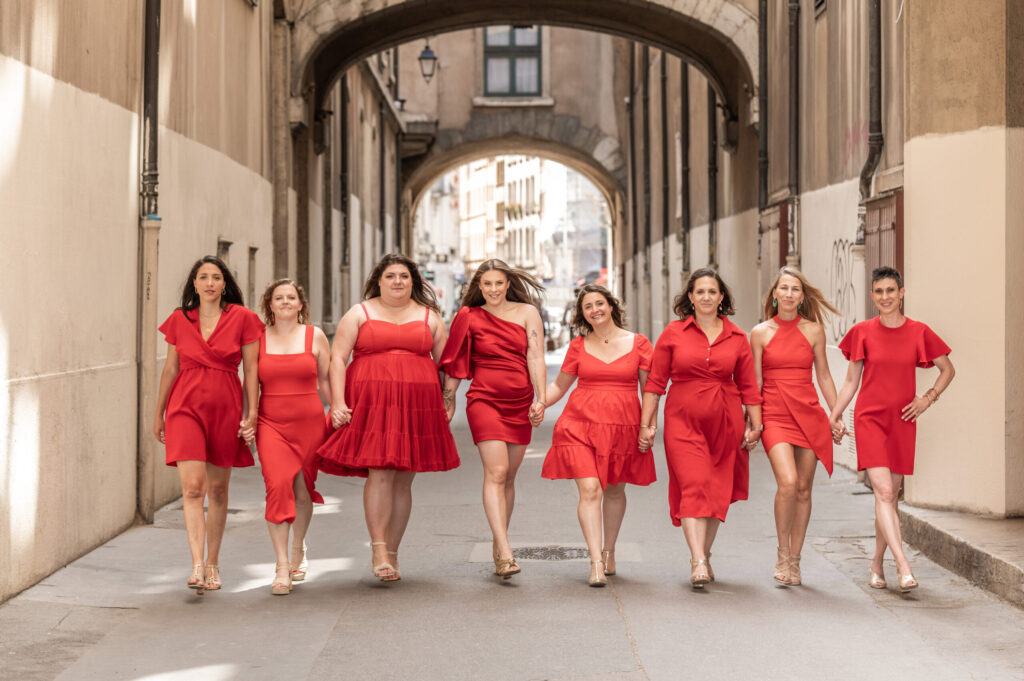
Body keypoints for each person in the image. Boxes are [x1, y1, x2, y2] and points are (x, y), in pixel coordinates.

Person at [317, 254, 459, 582]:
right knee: (379, 472)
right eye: (391, 276)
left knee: (404, 478)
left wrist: (448, 400)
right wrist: (337, 402)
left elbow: (447, 365)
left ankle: (392, 553)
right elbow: (338, 359)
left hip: (416, 405)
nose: (398, 281)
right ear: (378, 281)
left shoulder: (430, 318)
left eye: (404, 276)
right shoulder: (359, 313)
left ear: (414, 282)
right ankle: (378, 547)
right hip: (371, 403)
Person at [830, 266, 954, 592]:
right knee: (884, 493)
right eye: (879, 292)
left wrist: (927, 399)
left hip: (903, 421)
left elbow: (947, 369)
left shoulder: (918, 332)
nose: (885, 297)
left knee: (890, 498)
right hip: (869, 420)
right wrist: (835, 415)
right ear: (872, 296)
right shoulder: (862, 333)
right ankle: (904, 566)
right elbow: (850, 382)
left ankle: (876, 562)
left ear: (902, 293)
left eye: (890, 291)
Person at [639, 268, 762, 589]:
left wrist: (756, 426)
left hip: (727, 421)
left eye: (712, 292)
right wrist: (646, 424)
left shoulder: (738, 337)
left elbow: (749, 387)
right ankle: (697, 560)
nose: (706, 297)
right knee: (693, 483)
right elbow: (654, 383)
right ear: (690, 298)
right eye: (700, 292)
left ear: (722, 298)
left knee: (717, 488)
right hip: (682, 420)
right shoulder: (673, 333)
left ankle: (703, 556)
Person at [153, 255, 264, 593]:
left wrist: (252, 414)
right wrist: (158, 413)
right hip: (184, 407)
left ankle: (213, 563)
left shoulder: (243, 318)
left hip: (225, 408)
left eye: (216, 277)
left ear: (225, 283)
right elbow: (170, 369)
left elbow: (252, 372)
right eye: (204, 277)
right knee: (192, 488)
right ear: (195, 284)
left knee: (217, 490)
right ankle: (197, 564)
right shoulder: (179, 319)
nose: (211, 283)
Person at [537, 285, 655, 587]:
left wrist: (647, 426)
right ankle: (595, 562)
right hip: (579, 425)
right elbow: (560, 386)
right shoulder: (578, 346)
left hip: (622, 426)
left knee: (614, 491)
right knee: (590, 490)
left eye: (599, 303)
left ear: (611, 306)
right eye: (588, 307)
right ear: (583, 314)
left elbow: (650, 390)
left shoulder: (639, 343)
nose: (595, 310)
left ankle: (609, 550)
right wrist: (540, 402)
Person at [440, 259, 546, 579]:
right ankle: (504, 548)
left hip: (520, 401)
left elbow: (536, 355)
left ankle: (500, 543)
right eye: (487, 284)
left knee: (509, 478)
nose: (493, 290)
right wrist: (449, 401)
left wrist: (540, 398)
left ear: (507, 284)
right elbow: (456, 360)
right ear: (478, 287)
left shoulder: (527, 312)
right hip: (484, 399)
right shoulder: (468, 316)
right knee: (496, 471)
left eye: (499, 283)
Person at [749, 267, 840, 586]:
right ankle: (782, 553)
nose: (789, 294)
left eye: (795, 289)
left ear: (802, 297)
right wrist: (754, 422)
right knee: (787, 482)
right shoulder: (759, 332)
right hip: (775, 413)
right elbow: (755, 382)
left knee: (803, 489)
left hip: (809, 413)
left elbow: (825, 376)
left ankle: (796, 561)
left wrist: (836, 414)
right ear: (774, 294)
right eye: (783, 288)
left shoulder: (814, 330)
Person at [255, 279, 331, 595]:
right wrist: (247, 417)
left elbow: (326, 379)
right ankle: (282, 565)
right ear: (269, 305)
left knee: (303, 489)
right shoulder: (256, 339)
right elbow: (249, 383)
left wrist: (339, 407)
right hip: (270, 422)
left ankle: (298, 548)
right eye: (278, 297)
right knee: (276, 486)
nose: (285, 301)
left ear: (301, 304)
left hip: (310, 422)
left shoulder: (315, 337)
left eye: (291, 297)